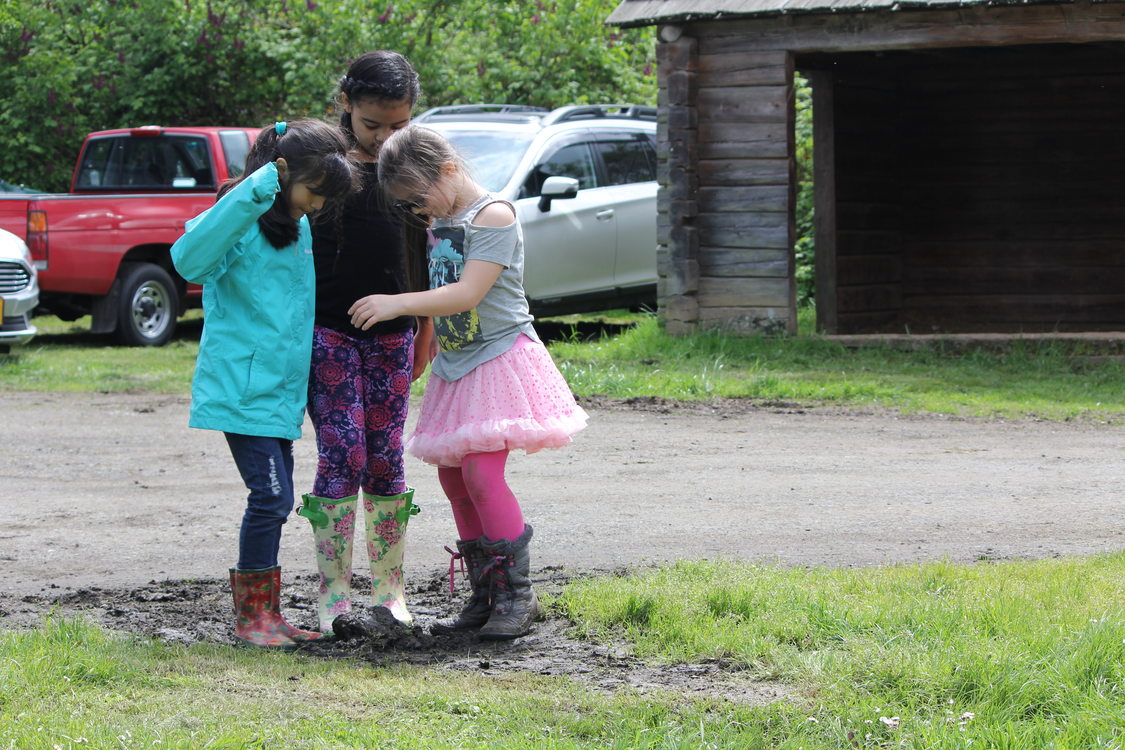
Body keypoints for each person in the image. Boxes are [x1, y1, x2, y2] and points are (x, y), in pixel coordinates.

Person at [350, 124, 588, 640]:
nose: (418, 211)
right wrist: (427, 338)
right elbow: (443, 287)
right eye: (408, 206)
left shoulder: (494, 216)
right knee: (454, 479)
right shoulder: (444, 217)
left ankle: (516, 595)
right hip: (457, 364)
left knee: (481, 475)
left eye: (419, 197)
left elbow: (467, 292)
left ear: (449, 169)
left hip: (499, 358)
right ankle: (485, 593)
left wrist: (399, 305)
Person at [171, 120, 359, 650]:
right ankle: (254, 620)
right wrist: (252, 193)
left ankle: (264, 615)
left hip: (277, 395)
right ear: (280, 176)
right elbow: (187, 260)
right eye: (315, 193)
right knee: (271, 498)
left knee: (275, 498)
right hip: (242, 390)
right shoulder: (240, 218)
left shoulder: (293, 226)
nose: (319, 206)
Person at [296, 50, 435, 634]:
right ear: (346, 104)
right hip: (327, 333)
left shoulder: (412, 168)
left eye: (398, 126)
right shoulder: (320, 165)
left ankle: (390, 592)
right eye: (373, 125)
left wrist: (426, 334)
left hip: (395, 337)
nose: (384, 139)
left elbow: (425, 260)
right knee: (344, 453)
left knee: (385, 458)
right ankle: (333, 598)